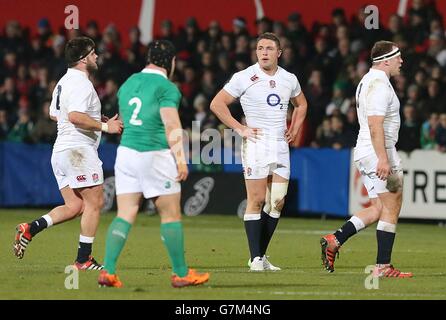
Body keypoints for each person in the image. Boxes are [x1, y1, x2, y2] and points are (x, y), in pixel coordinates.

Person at [98, 40, 210, 288]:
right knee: (170, 214)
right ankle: (181, 273)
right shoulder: (167, 87)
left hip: (126, 152)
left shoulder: (128, 84)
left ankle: (109, 270)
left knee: (125, 212)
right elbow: (171, 124)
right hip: (155, 154)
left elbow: (126, 120)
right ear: (171, 62)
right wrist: (181, 159)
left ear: (148, 58)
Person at [13, 37, 123, 270]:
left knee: (75, 206)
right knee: (96, 202)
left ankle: (30, 228)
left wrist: (95, 118)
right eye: (93, 53)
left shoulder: (63, 82)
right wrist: (105, 126)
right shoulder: (82, 84)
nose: (96, 56)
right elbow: (73, 116)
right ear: (82, 59)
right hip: (78, 150)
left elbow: (56, 114)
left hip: (61, 151)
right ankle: (83, 259)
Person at [210, 33, 307, 271]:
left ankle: (261, 256)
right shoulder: (244, 77)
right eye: (260, 48)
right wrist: (240, 128)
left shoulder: (289, 79)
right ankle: (255, 259)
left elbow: (302, 105)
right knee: (257, 199)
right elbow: (216, 103)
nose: (264, 52)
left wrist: (293, 129)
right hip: (256, 144)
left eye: (269, 48)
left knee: (277, 201)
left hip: (280, 146)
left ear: (279, 53)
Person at [320, 40, 413, 278]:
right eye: (398, 57)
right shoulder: (380, 85)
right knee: (393, 205)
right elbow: (375, 124)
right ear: (386, 60)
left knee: (378, 207)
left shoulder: (367, 81)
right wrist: (383, 158)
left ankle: (336, 238)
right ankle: (383, 266)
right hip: (378, 151)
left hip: (365, 150)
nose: (402, 61)